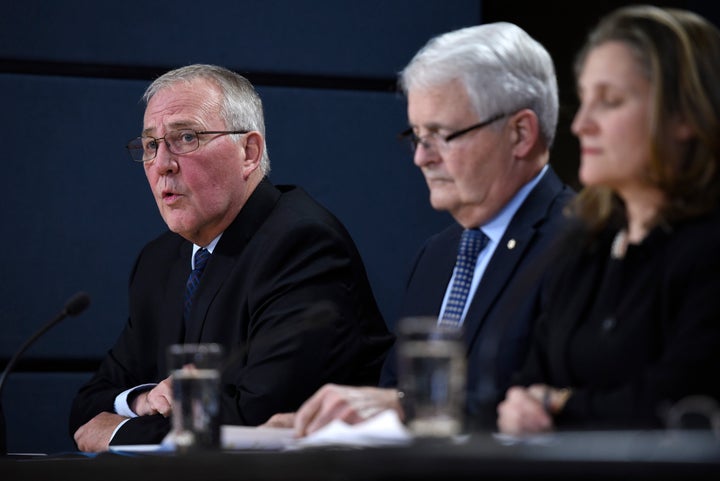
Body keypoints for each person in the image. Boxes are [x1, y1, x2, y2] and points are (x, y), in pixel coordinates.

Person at [265, 22, 574, 436]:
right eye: (417, 136)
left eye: (442, 135)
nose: (422, 158)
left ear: (520, 133)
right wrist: (331, 429)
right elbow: (395, 395)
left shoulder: (581, 241)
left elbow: (552, 402)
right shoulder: (437, 256)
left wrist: (405, 408)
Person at [68, 64, 394, 451]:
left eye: (186, 137)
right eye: (151, 145)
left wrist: (119, 431)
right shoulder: (160, 261)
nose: (161, 164)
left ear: (249, 152)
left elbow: (259, 422)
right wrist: (141, 400)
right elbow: (88, 405)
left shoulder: (302, 245)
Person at [497, 5, 720, 435]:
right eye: (583, 100)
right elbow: (526, 382)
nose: (580, 125)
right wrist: (527, 405)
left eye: (611, 101)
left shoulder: (708, 249)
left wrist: (558, 405)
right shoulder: (584, 244)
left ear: (685, 116)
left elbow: (676, 404)